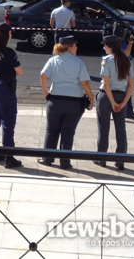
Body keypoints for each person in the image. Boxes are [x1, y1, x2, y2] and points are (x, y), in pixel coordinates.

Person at [38, 36, 95, 169]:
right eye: (75, 46)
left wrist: (47, 93)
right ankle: (65, 162)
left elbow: (43, 75)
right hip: (74, 102)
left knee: (51, 130)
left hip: (55, 99)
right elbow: (85, 82)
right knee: (68, 132)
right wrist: (91, 98)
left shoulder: (53, 60)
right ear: (69, 47)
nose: (77, 48)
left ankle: (47, 158)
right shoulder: (79, 62)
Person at [0, 23, 24, 168]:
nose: (11, 35)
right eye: (11, 33)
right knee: (8, 121)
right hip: (3, 87)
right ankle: (9, 156)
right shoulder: (9, 52)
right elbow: (20, 72)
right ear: (6, 35)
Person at [94, 35, 134, 170]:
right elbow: (131, 86)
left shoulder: (106, 61)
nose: (103, 47)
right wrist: (123, 103)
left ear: (110, 46)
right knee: (121, 128)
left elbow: (106, 84)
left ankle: (101, 158)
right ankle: (120, 160)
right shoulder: (127, 61)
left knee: (103, 128)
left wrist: (112, 102)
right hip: (121, 96)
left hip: (107, 97)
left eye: (105, 45)